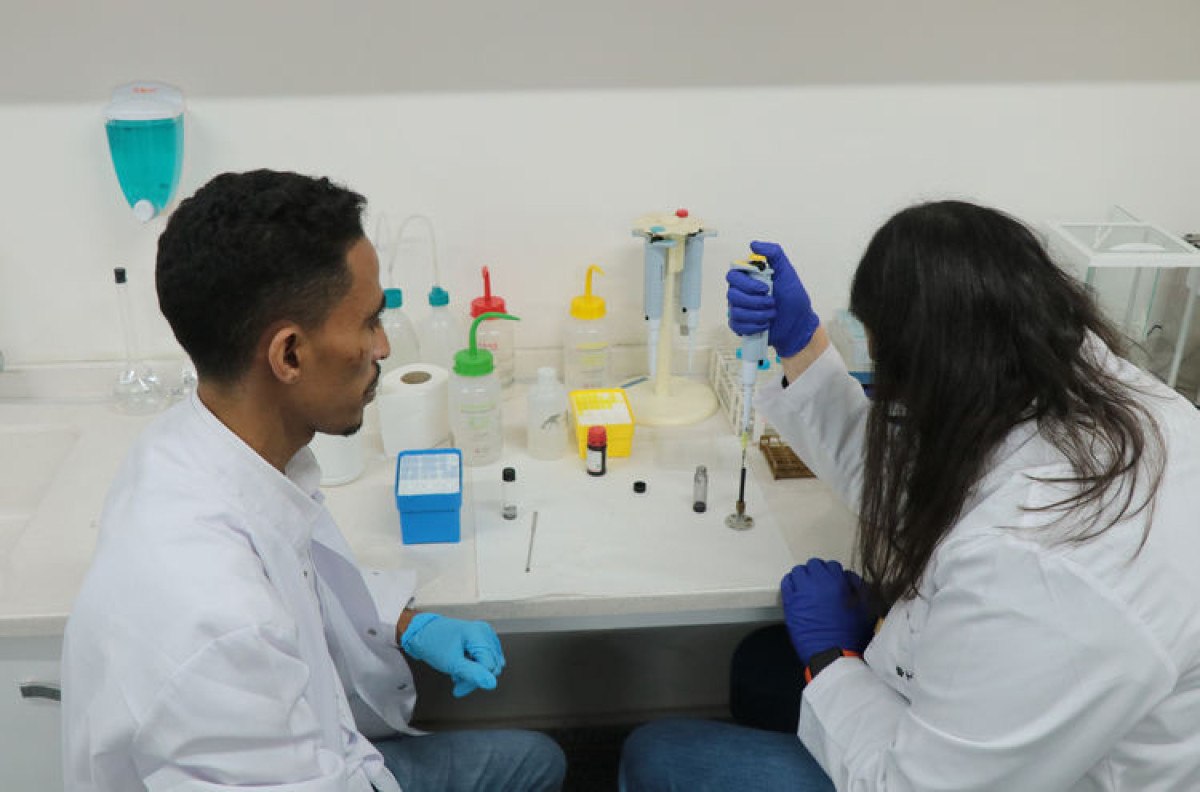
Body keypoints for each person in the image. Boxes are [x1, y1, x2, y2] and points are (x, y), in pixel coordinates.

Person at [620, 200, 1200, 790]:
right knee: (759, 667)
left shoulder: (1041, 570)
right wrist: (801, 346)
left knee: (658, 756)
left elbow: (910, 785)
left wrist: (831, 658)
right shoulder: (1075, 378)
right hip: (996, 702)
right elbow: (926, 486)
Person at [61, 170, 566, 791]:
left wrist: (404, 624)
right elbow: (252, 618)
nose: (383, 347)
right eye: (369, 322)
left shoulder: (206, 448)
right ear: (290, 355)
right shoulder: (214, 620)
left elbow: (297, 577)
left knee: (537, 760)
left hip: (326, 752)